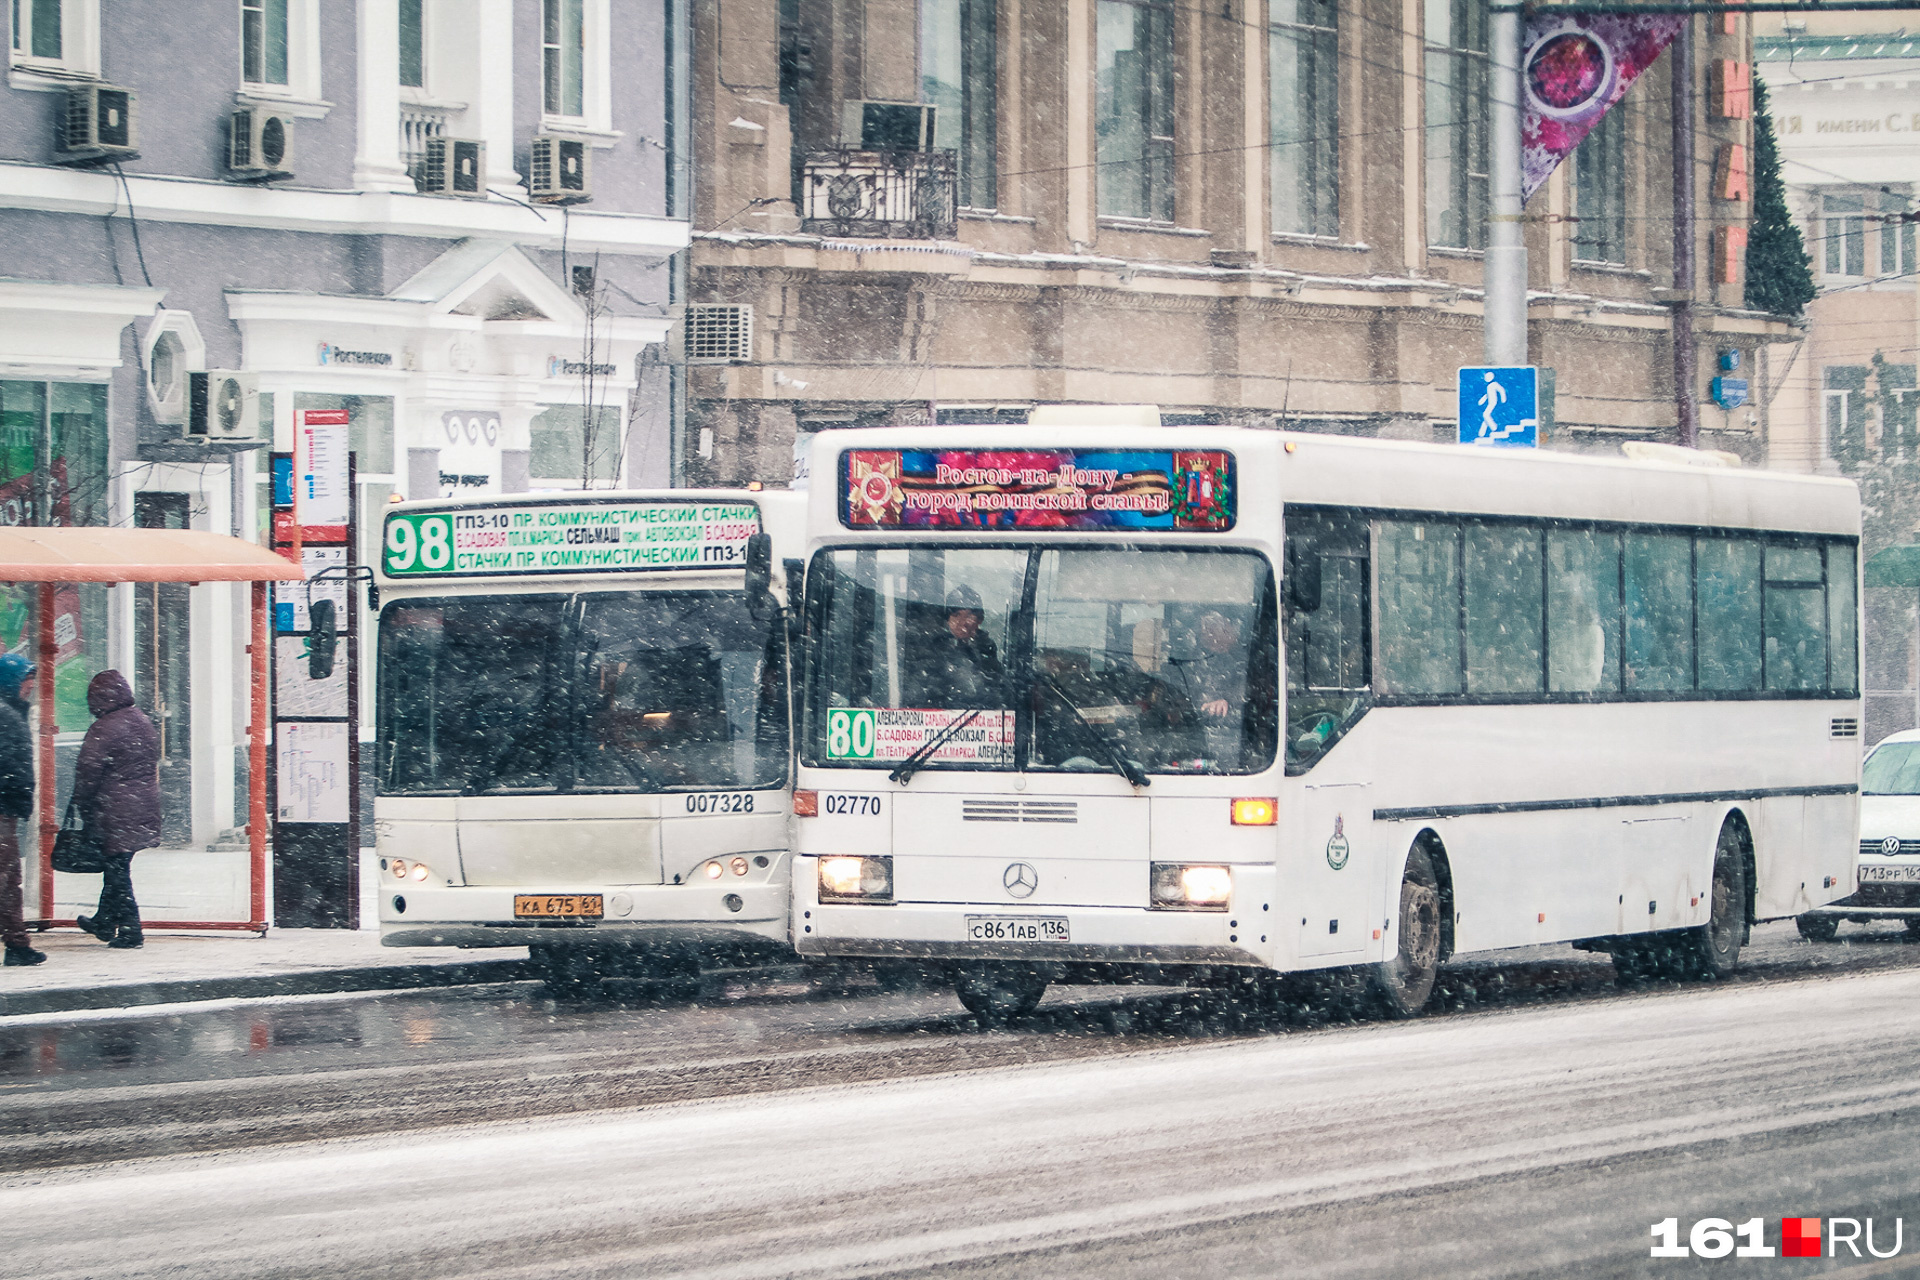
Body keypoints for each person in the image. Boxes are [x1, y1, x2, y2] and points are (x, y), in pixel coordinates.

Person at [72, 671, 160, 950]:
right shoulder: (141, 720)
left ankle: (132, 931)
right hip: (143, 806)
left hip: (115, 810)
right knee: (117, 867)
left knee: (117, 872)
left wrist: (81, 802)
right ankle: (104, 921)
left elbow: (88, 772)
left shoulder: (104, 727)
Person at [0, 654, 43, 966]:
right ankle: (16, 943)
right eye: (26, 679)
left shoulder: (11, 712)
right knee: (5, 878)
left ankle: (17, 943)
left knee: (8, 878)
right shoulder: (4, 714)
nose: (31, 685)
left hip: (7, 809)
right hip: (2, 808)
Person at [909, 585, 1005, 707]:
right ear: (948, 620)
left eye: (970, 616)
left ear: (980, 619)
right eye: (956, 615)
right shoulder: (930, 653)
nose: (963, 622)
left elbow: (1003, 697)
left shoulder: (989, 655)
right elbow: (916, 697)